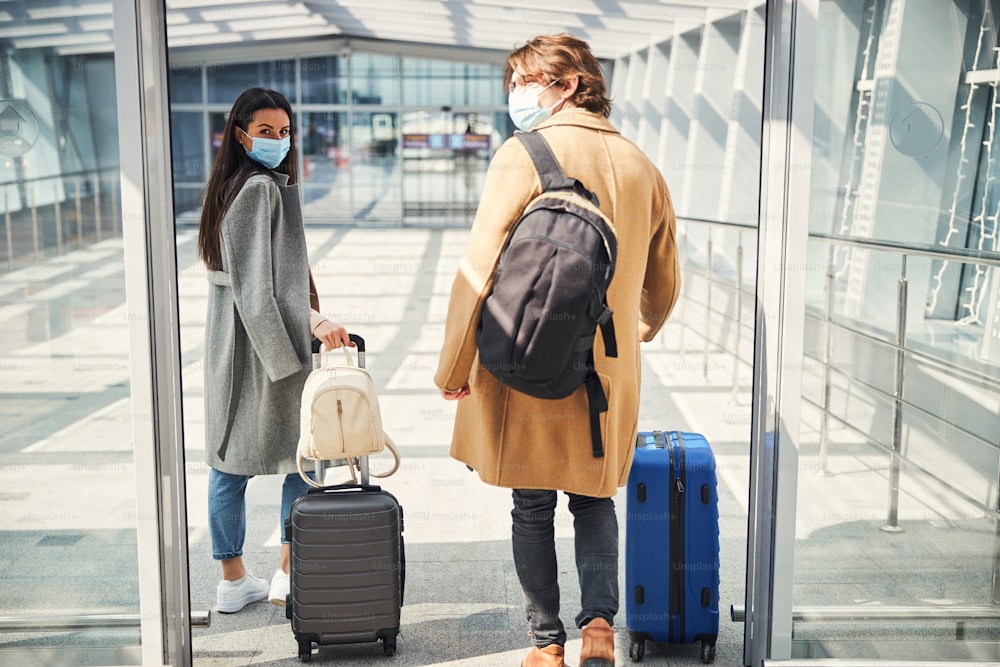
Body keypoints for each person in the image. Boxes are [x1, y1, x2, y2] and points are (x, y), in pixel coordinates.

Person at [435, 35, 680, 667]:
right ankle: (599, 627)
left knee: (532, 502)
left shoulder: (523, 153)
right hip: (607, 367)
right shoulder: (640, 164)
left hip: (530, 357)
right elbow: (665, 282)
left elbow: (479, 269)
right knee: (595, 497)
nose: (515, 93)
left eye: (524, 80)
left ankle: (546, 645)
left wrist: (453, 367)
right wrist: (633, 332)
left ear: (567, 84)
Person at [197, 87, 351, 614]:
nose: (278, 141)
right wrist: (302, 339)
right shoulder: (258, 189)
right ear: (239, 135)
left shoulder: (230, 186)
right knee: (302, 458)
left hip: (235, 343)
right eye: (265, 132)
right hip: (263, 347)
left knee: (231, 462)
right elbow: (257, 291)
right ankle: (286, 571)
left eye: (285, 132)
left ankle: (234, 579)